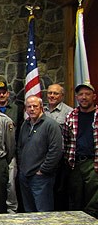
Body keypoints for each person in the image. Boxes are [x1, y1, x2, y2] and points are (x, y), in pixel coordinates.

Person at [17, 95, 62, 212]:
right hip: (25, 176)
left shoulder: (51, 125)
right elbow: (20, 147)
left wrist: (43, 170)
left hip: (41, 178)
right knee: (29, 212)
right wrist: (21, 167)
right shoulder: (25, 125)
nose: (32, 109)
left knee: (43, 213)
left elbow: (55, 150)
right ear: (25, 109)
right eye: (29, 107)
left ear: (41, 107)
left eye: (35, 106)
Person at [63, 82, 98, 218]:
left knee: (93, 204)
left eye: (87, 94)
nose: (84, 97)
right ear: (77, 97)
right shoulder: (71, 116)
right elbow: (65, 140)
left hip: (93, 165)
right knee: (75, 202)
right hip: (75, 164)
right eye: (81, 94)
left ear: (94, 97)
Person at [44, 83, 73, 211]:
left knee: (59, 192)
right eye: (50, 93)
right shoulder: (41, 110)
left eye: (55, 93)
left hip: (61, 159)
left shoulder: (69, 112)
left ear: (62, 95)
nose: (52, 96)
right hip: (43, 158)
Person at [0, 81, 22, 213]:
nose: (1, 95)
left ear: (8, 94)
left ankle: (12, 210)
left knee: (11, 184)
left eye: (3, 92)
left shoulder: (16, 109)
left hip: (11, 152)